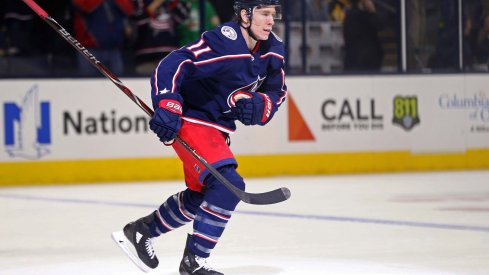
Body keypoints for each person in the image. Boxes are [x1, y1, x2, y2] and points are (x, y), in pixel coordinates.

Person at [111, 0, 287, 274]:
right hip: (193, 121)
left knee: (203, 195)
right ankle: (194, 262)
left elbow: (278, 91)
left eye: (272, 15)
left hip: (216, 129)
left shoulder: (273, 50)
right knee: (228, 185)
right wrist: (168, 103)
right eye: (264, 14)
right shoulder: (224, 42)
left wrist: (262, 104)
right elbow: (172, 64)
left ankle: (142, 231)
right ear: (245, 14)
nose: (270, 21)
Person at [71, 0, 134, 76]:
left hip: (114, 50)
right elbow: (84, 7)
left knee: (117, 84)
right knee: (88, 85)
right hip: (88, 50)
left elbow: (129, 10)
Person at [130, 0, 190, 75]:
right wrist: (156, 3)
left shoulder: (172, 2)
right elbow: (138, 20)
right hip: (146, 56)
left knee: (170, 84)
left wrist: (174, 3)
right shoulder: (140, 1)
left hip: (170, 55)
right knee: (145, 85)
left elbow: (182, 17)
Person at [342, 0, 384, 72]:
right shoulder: (351, 16)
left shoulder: (370, 16)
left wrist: (372, 11)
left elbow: (380, 25)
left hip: (371, 61)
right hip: (356, 61)